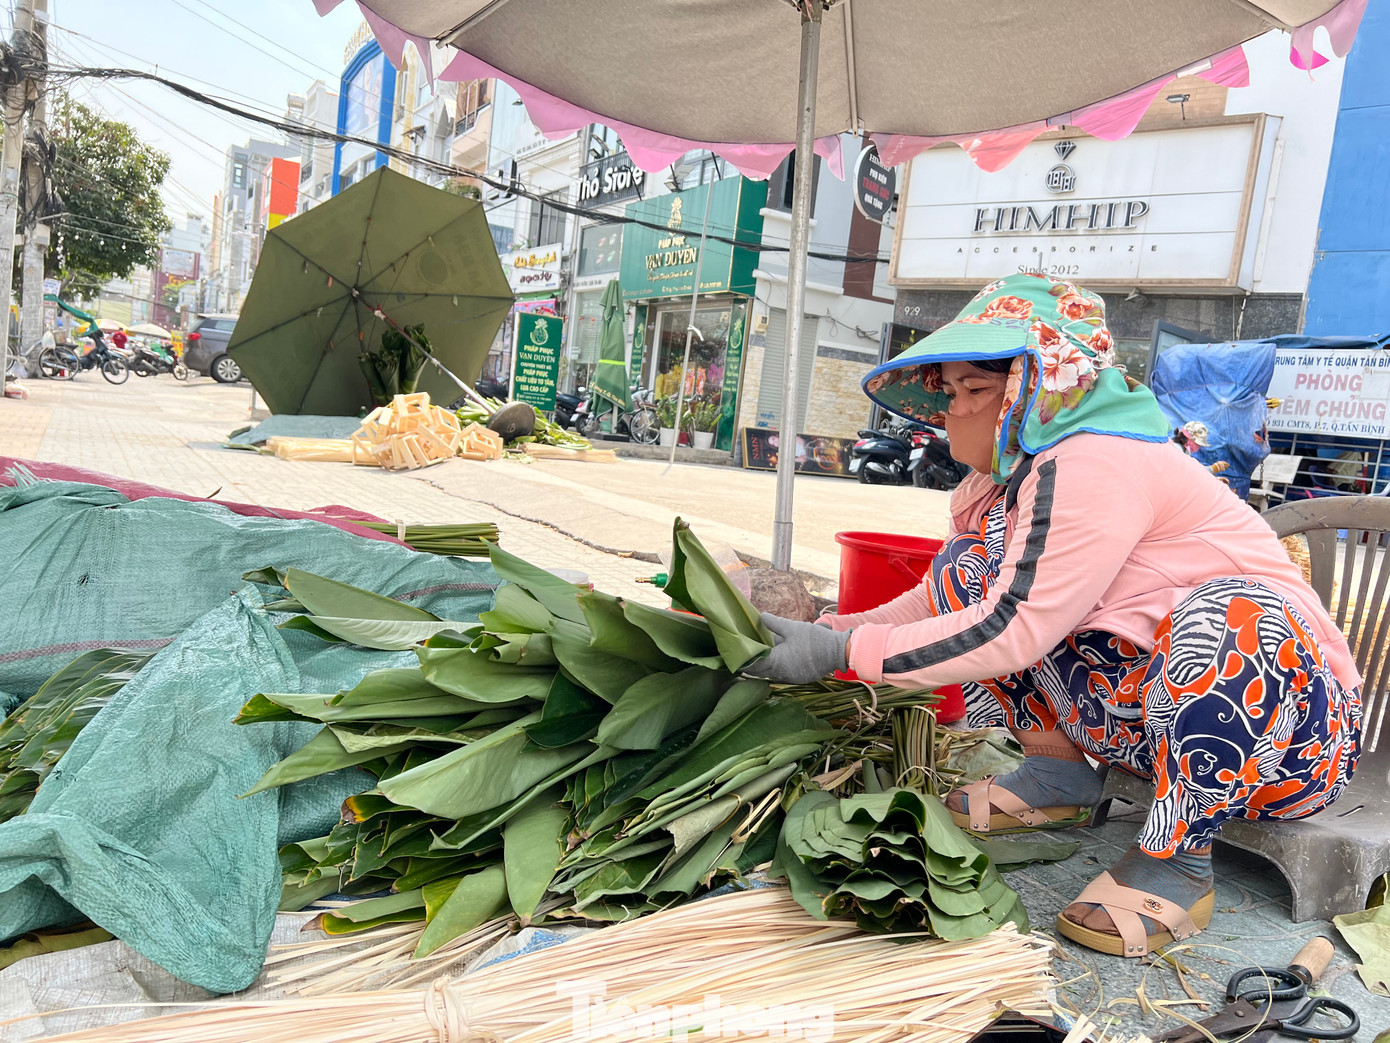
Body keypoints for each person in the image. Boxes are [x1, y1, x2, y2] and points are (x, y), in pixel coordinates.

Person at [745, 273, 1361, 958]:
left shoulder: (1097, 460)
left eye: (970, 390)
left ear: (1030, 390)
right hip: (1146, 722)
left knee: (1229, 616)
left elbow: (1014, 628)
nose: (950, 411)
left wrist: (839, 657)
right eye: (948, 393)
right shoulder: (1008, 483)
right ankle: (1058, 774)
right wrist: (835, 631)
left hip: (1286, 739)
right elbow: (944, 598)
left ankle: (1179, 857)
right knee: (966, 571)